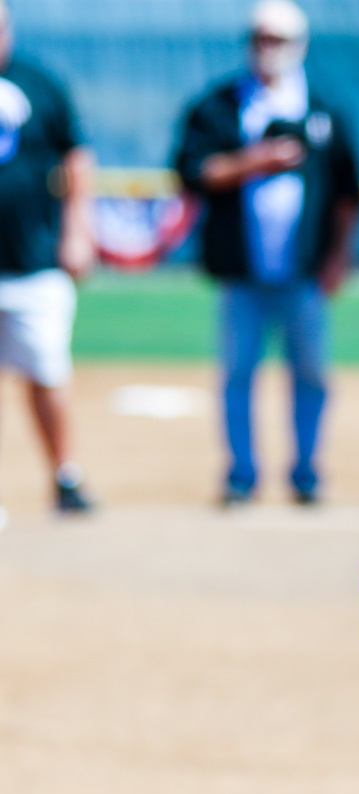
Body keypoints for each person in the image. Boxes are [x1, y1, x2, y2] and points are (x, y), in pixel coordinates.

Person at [174, 0, 359, 506]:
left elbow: (349, 190)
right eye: (259, 38)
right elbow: (193, 171)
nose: (267, 48)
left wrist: (339, 256)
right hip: (243, 272)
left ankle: (305, 470)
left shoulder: (322, 109)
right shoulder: (219, 106)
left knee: (311, 374)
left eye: (277, 39)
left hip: (304, 272)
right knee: (238, 374)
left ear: (298, 46)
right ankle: (241, 473)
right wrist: (251, 162)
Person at [0, 0, 95, 522]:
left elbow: (76, 155)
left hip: (33, 258)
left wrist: (78, 229)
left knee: (47, 371)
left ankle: (65, 476)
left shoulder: (39, 84)